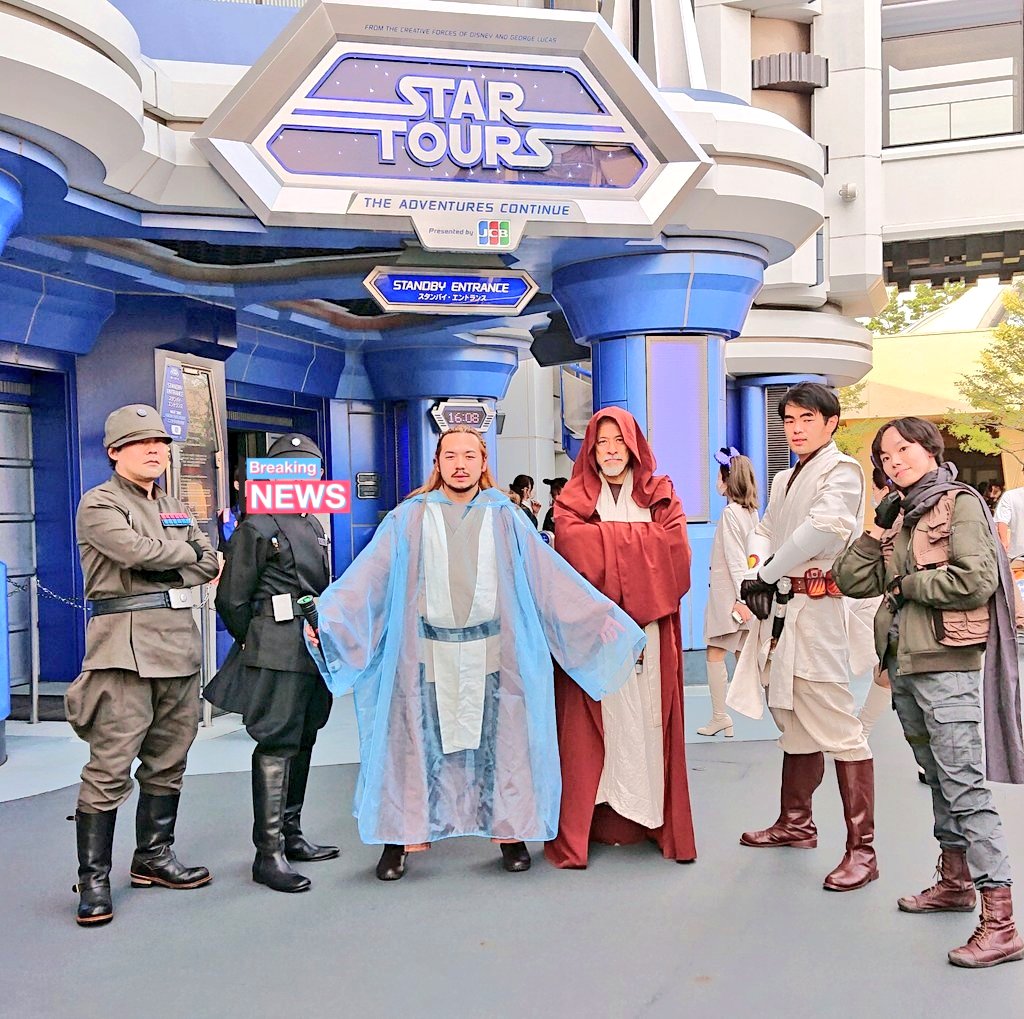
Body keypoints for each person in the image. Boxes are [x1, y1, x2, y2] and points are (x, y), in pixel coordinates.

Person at [306, 425, 644, 881]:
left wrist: (595, 617)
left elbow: (546, 576)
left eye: (469, 455)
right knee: (410, 746)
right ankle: (398, 840)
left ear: (484, 463)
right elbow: (369, 577)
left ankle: (511, 835)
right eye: (450, 456)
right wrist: (327, 620)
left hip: (494, 653)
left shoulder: (506, 517)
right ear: (438, 464)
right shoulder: (409, 518)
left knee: (504, 746)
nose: (460, 465)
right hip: (424, 652)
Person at [833, 417, 1024, 969]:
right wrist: (877, 526)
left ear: (929, 449)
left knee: (965, 787)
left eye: (903, 449)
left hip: (947, 666)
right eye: (885, 457)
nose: (894, 461)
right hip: (906, 664)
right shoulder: (900, 515)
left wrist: (908, 584)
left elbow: (976, 579)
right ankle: (956, 883)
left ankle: (1001, 923)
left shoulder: (959, 504)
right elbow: (851, 579)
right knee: (939, 778)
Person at [65, 404, 219, 927]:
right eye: (140, 442)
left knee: (169, 759)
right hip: (123, 652)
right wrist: (182, 554)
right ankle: (93, 880)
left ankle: (153, 857)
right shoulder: (99, 502)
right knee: (110, 766)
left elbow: (208, 561)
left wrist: (176, 557)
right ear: (114, 452)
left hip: (178, 645)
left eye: (161, 442)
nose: (155, 450)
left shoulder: (174, 504)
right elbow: (134, 552)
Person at [729, 382, 876, 893]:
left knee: (836, 722)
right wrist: (757, 569)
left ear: (831, 422)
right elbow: (765, 529)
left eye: (807, 419)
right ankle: (796, 822)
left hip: (818, 609)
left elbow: (824, 531)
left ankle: (863, 851)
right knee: (790, 715)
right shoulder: (785, 476)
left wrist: (765, 573)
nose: (796, 428)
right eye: (789, 420)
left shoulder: (842, 470)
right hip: (781, 608)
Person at [544, 407, 696, 869]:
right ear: (590, 449)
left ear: (633, 446)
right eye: (601, 442)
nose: (610, 451)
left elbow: (678, 552)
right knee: (592, 728)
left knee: (647, 719)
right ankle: (591, 823)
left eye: (618, 442)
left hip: (650, 630)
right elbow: (572, 547)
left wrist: (606, 539)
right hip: (596, 630)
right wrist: (642, 540)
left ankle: (647, 820)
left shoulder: (660, 492)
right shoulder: (573, 497)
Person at [205, 433, 339, 894]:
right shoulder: (257, 526)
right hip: (277, 647)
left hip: (311, 648)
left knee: (304, 738)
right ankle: (268, 853)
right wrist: (259, 639)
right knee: (277, 743)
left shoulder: (313, 523)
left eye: (310, 468)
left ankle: (291, 834)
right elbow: (232, 599)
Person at [698, 447, 759, 738]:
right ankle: (723, 716)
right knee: (746, 655)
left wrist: (741, 599)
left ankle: (720, 717)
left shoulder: (730, 514)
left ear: (728, 479)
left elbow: (736, 559)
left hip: (730, 600)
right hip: (741, 596)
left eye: (719, 475)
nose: (716, 481)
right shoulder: (751, 513)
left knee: (716, 653)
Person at [994, 483, 1024, 560]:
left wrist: (1004, 542)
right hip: (1018, 554)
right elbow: (1002, 521)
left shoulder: (1010, 495)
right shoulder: (1010, 496)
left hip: (1017, 554)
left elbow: (1001, 521)